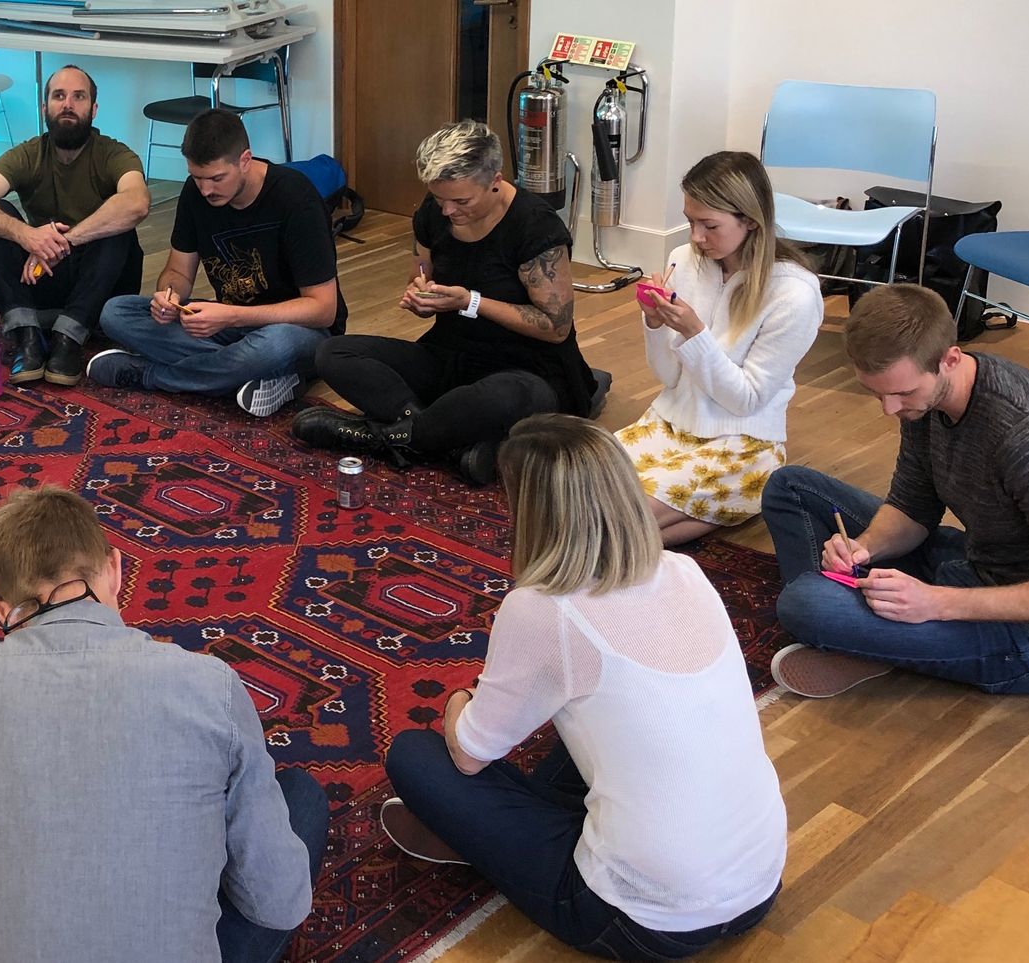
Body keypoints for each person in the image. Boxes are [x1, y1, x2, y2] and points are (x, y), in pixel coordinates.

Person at [381, 414, 784, 961]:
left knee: (415, 754)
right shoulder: (684, 570)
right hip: (759, 883)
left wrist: (461, 699)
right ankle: (511, 835)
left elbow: (471, 754)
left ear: (529, 511)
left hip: (641, 922)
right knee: (589, 717)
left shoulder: (543, 609)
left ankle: (490, 846)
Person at [0, 486, 325, 963]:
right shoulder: (209, 684)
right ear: (116, 569)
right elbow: (278, 904)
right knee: (301, 795)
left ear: (0, 611)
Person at [761, 283, 1029, 698]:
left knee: (803, 604)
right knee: (788, 486)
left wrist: (935, 603)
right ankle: (864, 631)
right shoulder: (927, 398)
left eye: (902, 393)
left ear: (949, 359)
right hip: (981, 561)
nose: (889, 408)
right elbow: (913, 507)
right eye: (877, 393)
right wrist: (863, 548)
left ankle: (857, 633)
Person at [294, 121, 599, 485]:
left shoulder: (535, 227)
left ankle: (380, 437)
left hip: (528, 369)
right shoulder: (433, 213)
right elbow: (421, 273)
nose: (448, 211)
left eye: (461, 201)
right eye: (440, 199)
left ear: (495, 181)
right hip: (450, 356)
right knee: (333, 352)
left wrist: (471, 302)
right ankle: (439, 437)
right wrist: (421, 294)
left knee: (501, 398)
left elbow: (555, 327)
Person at [619, 151, 822, 546]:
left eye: (709, 225)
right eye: (690, 221)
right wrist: (656, 325)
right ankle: (669, 527)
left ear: (750, 220)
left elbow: (746, 400)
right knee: (579, 488)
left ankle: (650, 533)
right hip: (669, 424)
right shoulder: (684, 260)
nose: (696, 237)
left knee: (621, 515)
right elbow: (669, 378)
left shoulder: (794, 293)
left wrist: (695, 334)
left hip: (742, 443)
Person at [89, 108, 346, 417]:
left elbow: (323, 310)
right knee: (116, 312)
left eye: (216, 178)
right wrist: (169, 297)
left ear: (245, 160)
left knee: (274, 344)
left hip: (299, 332)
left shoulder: (296, 198)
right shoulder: (195, 194)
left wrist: (232, 317)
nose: (206, 189)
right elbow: (178, 272)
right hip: (230, 324)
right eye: (197, 177)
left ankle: (151, 375)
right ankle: (253, 373)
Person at [0, 65, 151, 385]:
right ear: (44, 108)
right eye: (59, 96)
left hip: (100, 287)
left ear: (94, 109)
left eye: (78, 97)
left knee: (118, 223)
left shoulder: (115, 154)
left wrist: (63, 242)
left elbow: (137, 202)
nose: (68, 105)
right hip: (43, 279)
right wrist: (28, 236)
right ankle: (27, 337)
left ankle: (69, 338)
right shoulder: (28, 154)